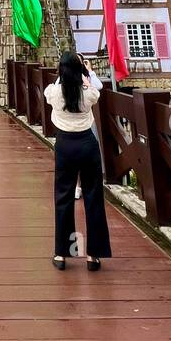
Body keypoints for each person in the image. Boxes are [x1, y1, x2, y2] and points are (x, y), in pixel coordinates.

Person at [44, 53, 110, 271]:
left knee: (63, 198)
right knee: (93, 198)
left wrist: (61, 76)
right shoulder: (87, 92)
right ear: (79, 69)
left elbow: (49, 91)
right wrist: (87, 72)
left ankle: (62, 253)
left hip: (65, 144)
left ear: (61, 70)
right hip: (87, 144)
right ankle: (93, 256)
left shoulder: (55, 92)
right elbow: (95, 92)